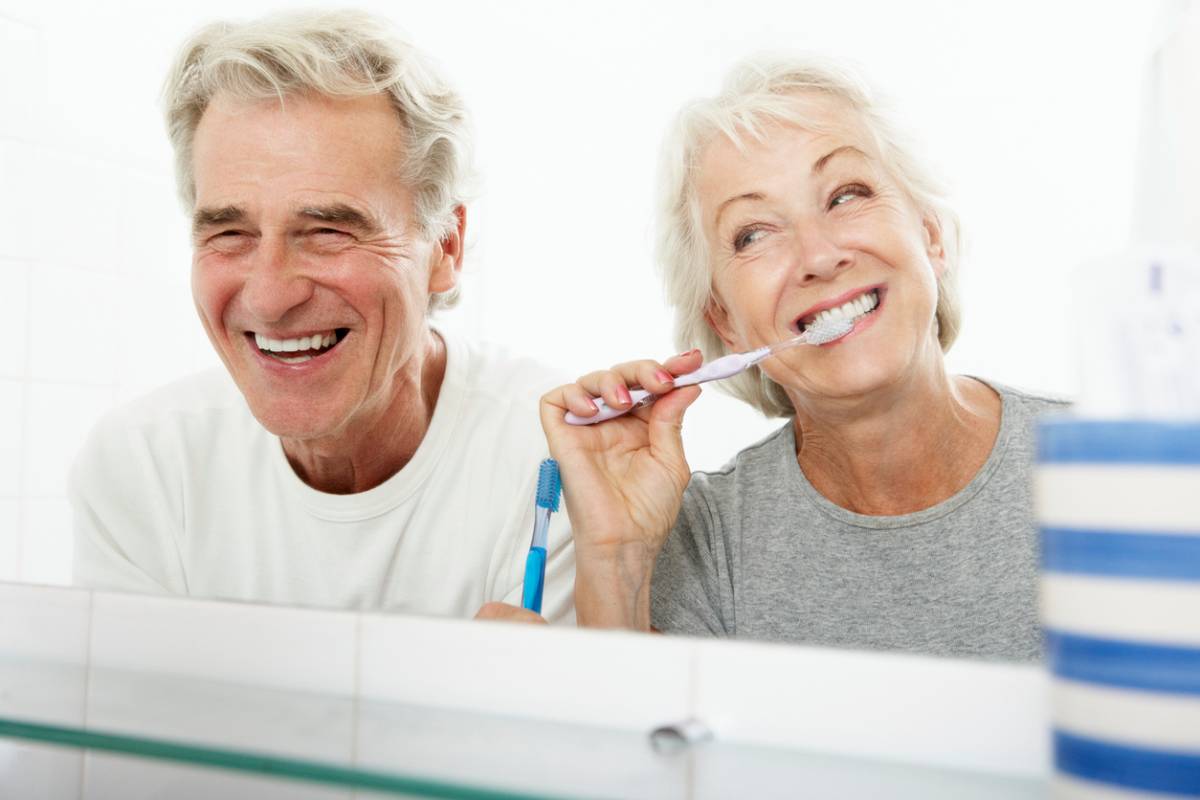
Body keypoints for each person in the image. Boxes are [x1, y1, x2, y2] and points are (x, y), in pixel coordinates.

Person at [540, 55, 1067, 659]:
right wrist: (615, 559)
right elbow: (632, 744)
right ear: (725, 323)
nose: (819, 255)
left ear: (930, 236)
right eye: (754, 233)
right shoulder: (708, 545)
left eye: (846, 195)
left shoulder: (1119, 465)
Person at [69, 10, 572, 621]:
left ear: (445, 246)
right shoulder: (145, 466)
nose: (270, 295)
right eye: (230, 232)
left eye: (328, 231)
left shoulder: (555, 459)